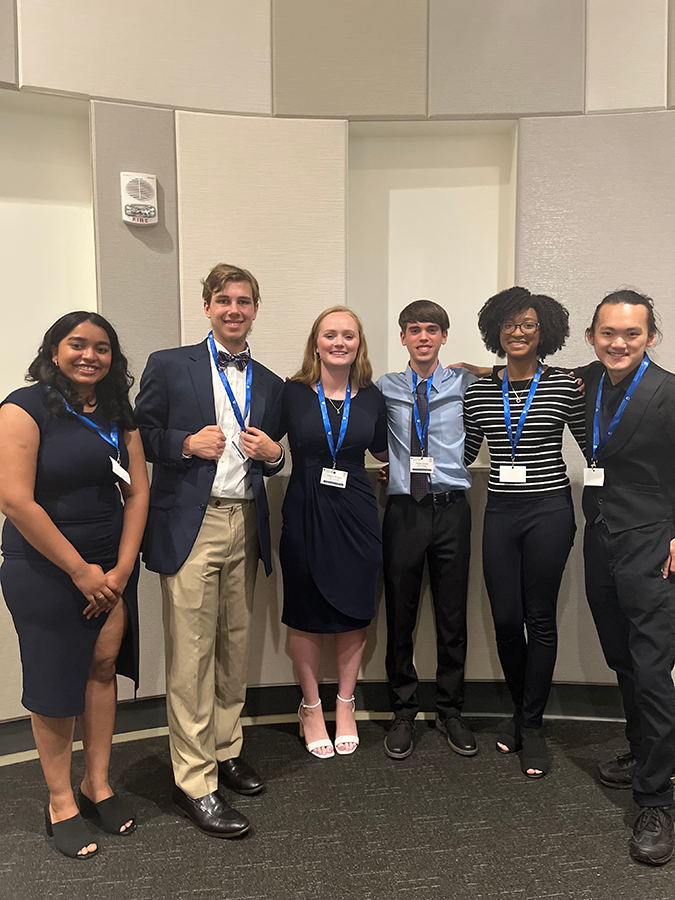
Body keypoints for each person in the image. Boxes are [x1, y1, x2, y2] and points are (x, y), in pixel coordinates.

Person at [134, 264, 284, 839]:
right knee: (192, 654)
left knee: (233, 646)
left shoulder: (268, 382)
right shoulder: (169, 364)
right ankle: (194, 780)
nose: (234, 310)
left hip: (245, 519)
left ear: (254, 309)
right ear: (206, 307)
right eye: (223, 300)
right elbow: (139, 433)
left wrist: (273, 456)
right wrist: (182, 443)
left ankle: (224, 748)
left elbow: (271, 456)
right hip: (190, 525)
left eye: (244, 301)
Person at [0, 312, 148, 859]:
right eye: (78, 345)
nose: (90, 355)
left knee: (102, 666)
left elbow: (137, 493)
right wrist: (80, 570)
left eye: (102, 347)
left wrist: (122, 568)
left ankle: (97, 783)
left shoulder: (116, 412)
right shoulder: (23, 406)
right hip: (45, 567)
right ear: (54, 350)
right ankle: (61, 799)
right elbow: (15, 499)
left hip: (111, 568)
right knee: (55, 682)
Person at [463, 287, 585, 778]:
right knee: (508, 620)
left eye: (528, 324)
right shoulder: (479, 390)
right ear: (496, 330)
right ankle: (521, 711)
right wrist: (405, 468)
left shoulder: (562, 385)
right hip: (500, 512)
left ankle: (530, 726)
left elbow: (595, 441)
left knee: (541, 618)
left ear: (545, 332)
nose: (518, 331)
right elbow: (466, 452)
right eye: (510, 323)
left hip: (550, 511)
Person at [578, 289, 675, 866]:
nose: (618, 343)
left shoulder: (669, 392)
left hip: (652, 543)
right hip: (600, 538)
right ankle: (642, 753)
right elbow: (525, 370)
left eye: (631, 334)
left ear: (651, 338)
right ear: (592, 336)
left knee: (653, 665)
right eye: (608, 333)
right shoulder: (583, 383)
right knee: (621, 655)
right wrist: (476, 367)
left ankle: (657, 798)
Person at [278, 306, 388, 758]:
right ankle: (310, 705)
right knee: (305, 610)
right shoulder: (292, 393)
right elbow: (265, 444)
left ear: (359, 342)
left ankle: (345, 704)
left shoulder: (374, 397)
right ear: (316, 342)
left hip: (357, 513)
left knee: (354, 610)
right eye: (330, 334)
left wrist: (386, 474)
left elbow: (381, 450)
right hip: (305, 511)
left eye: (348, 335)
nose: (339, 342)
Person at [377, 299, 477, 760]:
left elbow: (517, 369)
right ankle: (403, 711)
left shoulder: (465, 382)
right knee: (401, 613)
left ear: (443, 336)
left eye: (431, 330)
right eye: (413, 330)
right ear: (402, 337)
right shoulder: (385, 388)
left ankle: (451, 710)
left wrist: (480, 364)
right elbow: (370, 438)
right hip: (404, 511)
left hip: (452, 508)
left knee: (452, 615)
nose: (422, 337)